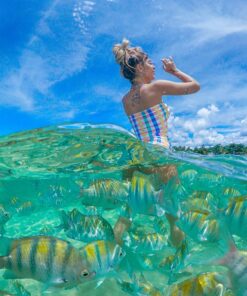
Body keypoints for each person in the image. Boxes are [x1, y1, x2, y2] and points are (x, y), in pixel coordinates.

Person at [112, 39, 200, 247]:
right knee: (173, 214)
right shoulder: (156, 87)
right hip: (160, 153)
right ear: (140, 67)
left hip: (135, 156)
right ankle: (177, 266)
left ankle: (115, 250)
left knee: (128, 211)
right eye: (149, 62)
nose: (154, 67)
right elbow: (195, 87)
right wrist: (175, 70)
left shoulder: (125, 100)